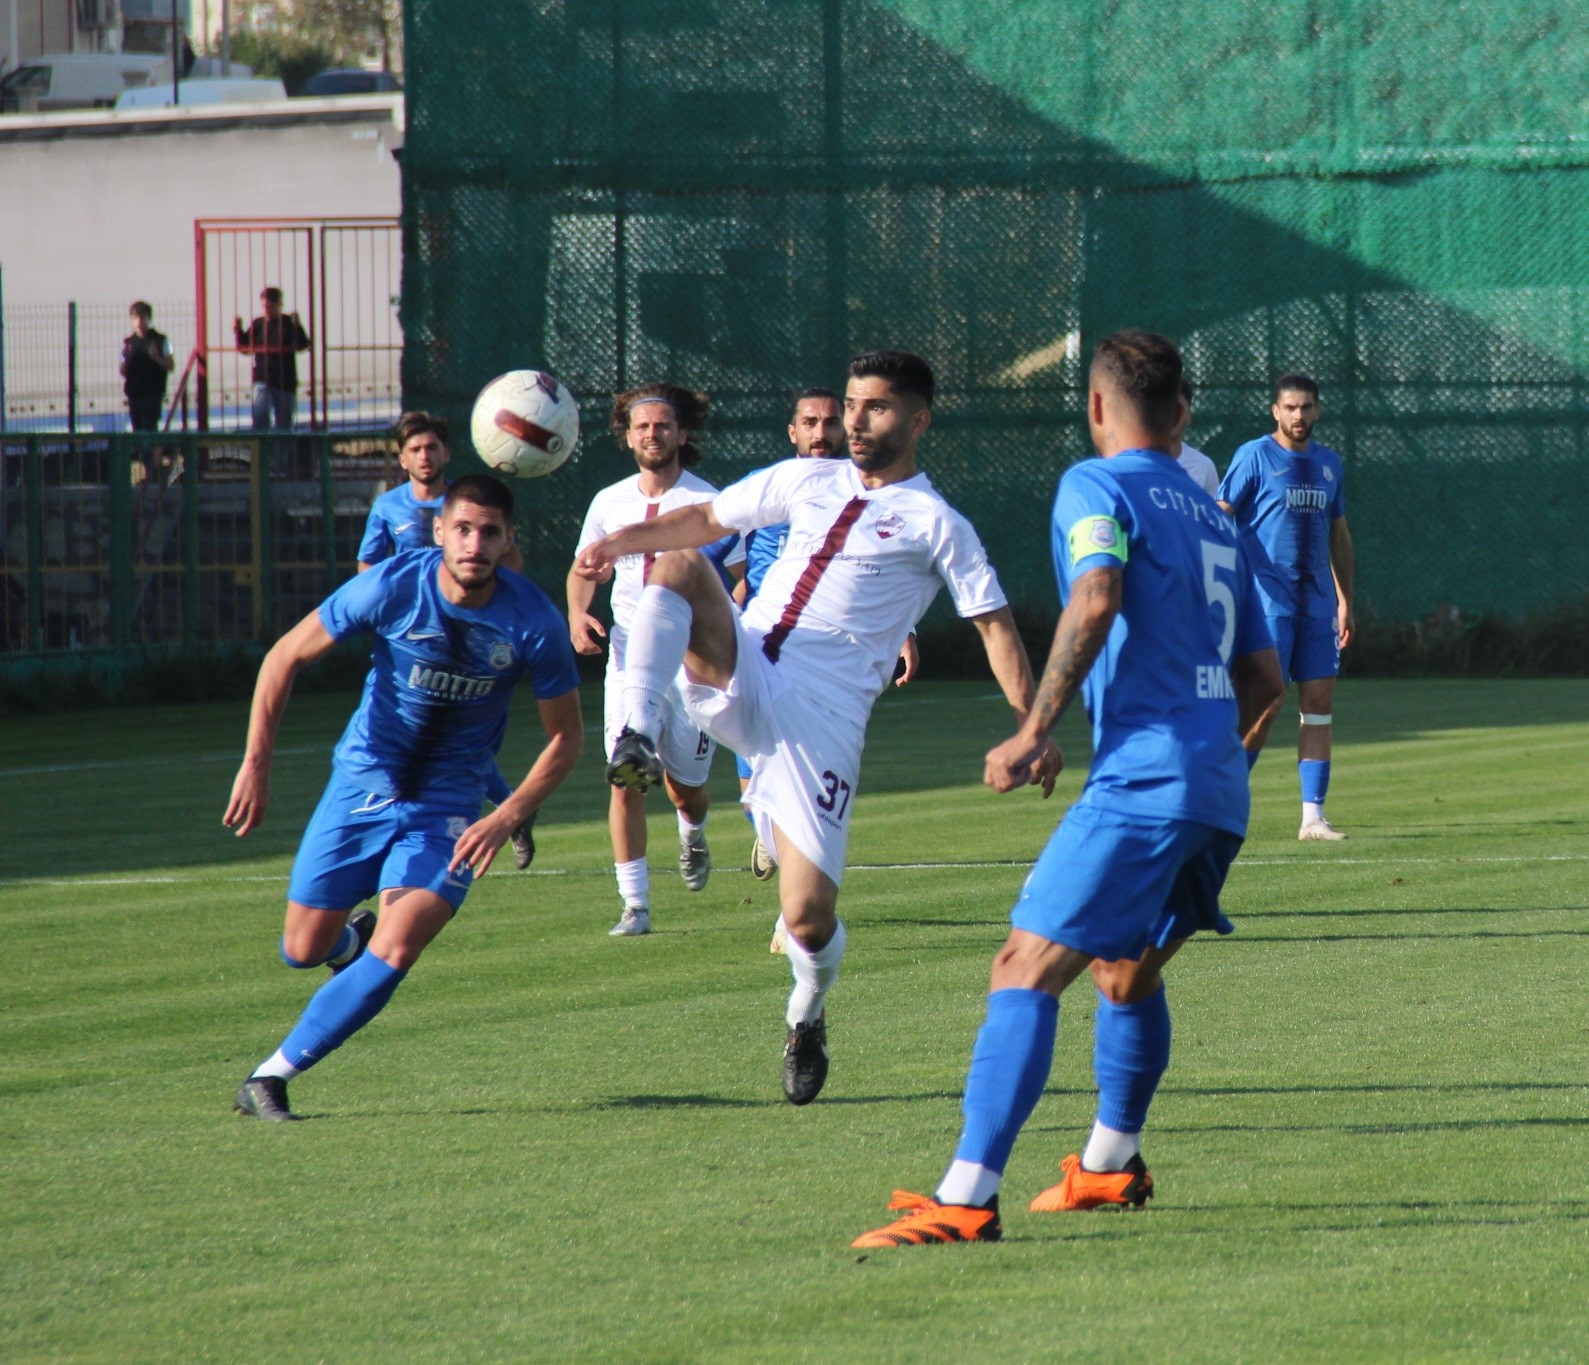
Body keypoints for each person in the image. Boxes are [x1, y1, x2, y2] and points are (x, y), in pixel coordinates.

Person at [852, 330, 1283, 1248]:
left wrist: (1034, 728)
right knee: (1123, 974)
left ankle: (965, 1195)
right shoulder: (1216, 515)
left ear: (1095, 407)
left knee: (1023, 965)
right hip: (1213, 785)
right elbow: (1266, 681)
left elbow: (1096, 596)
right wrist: (1217, 768)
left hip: (1145, 779)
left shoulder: (1098, 485)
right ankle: (1107, 1163)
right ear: (1183, 412)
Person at [574, 350, 1054, 1105]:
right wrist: (616, 543)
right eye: (851, 404)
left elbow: (994, 627)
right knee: (674, 561)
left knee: (804, 915)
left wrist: (1032, 727)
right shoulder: (805, 478)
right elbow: (704, 518)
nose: (856, 420)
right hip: (746, 659)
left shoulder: (938, 524)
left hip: (819, 722)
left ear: (918, 421)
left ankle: (806, 1012)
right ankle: (634, 731)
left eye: (876, 407)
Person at [224, 474, 583, 1121]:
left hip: (446, 808)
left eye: (490, 532)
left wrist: (506, 815)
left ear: (508, 541)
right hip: (360, 787)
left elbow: (566, 739)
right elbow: (283, 656)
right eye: (464, 529)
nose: (475, 543)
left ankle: (269, 1076)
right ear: (439, 529)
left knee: (401, 940)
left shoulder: (533, 620)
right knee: (301, 949)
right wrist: (256, 763)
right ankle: (342, 946)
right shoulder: (393, 585)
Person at [566, 383, 746, 938]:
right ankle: (635, 905)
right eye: (641, 426)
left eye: (663, 425)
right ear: (627, 437)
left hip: (689, 664)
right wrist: (577, 614)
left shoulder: (708, 502)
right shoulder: (608, 502)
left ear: (682, 434)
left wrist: (721, 632)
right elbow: (582, 568)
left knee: (685, 786)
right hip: (626, 658)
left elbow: (740, 580)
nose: (652, 434)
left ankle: (693, 830)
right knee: (626, 777)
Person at [358, 411, 538, 871]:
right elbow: (369, 568)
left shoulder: (467, 504)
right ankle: (511, 808)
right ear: (401, 458)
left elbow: (511, 561)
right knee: (435, 734)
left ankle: (414, 821)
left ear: (447, 453)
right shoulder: (388, 507)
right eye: (415, 449)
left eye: (432, 447)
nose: (424, 456)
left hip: (465, 637)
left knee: (447, 734)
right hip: (410, 639)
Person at [1218, 373, 1355, 841]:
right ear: (1275, 411)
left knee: (1318, 706)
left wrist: (1344, 601)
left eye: (1307, 407)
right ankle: (1221, 800)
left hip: (1317, 608)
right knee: (1265, 704)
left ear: (1318, 410)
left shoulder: (1329, 465)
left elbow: (1338, 535)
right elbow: (1220, 516)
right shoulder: (1254, 456)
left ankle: (1312, 818)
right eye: (1290, 408)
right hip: (1266, 605)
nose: (1299, 416)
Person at [235, 286, 311, 431]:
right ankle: (264, 452)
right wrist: (238, 330)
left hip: (285, 381)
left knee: (285, 425)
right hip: (263, 380)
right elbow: (245, 349)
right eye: (264, 306)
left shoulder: (288, 323)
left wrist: (297, 325)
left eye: (270, 306)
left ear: (279, 305)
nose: (266, 310)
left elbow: (302, 344)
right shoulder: (258, 324)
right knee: (260, 417)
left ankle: (280, 454)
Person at [120, 301, 174, 433]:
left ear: (149, 319)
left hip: (153, 393)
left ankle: (150, 453)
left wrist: (156, 357)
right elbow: (122, 371)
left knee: (150, 428)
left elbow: (170, 365)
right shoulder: (128, 343)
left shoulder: (161, 340)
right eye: (135, 318)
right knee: (137, 430)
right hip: (134, 394)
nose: (138, 322)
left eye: (142, 317)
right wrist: (128, 358)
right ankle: (140, 453)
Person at [1171, 378, 1219, 494]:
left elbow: (1212, 511)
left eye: (1179, 408)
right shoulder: (1132, 465)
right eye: (1165, 407)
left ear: (1189, 417)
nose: (1172, 415)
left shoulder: (1204, 467)